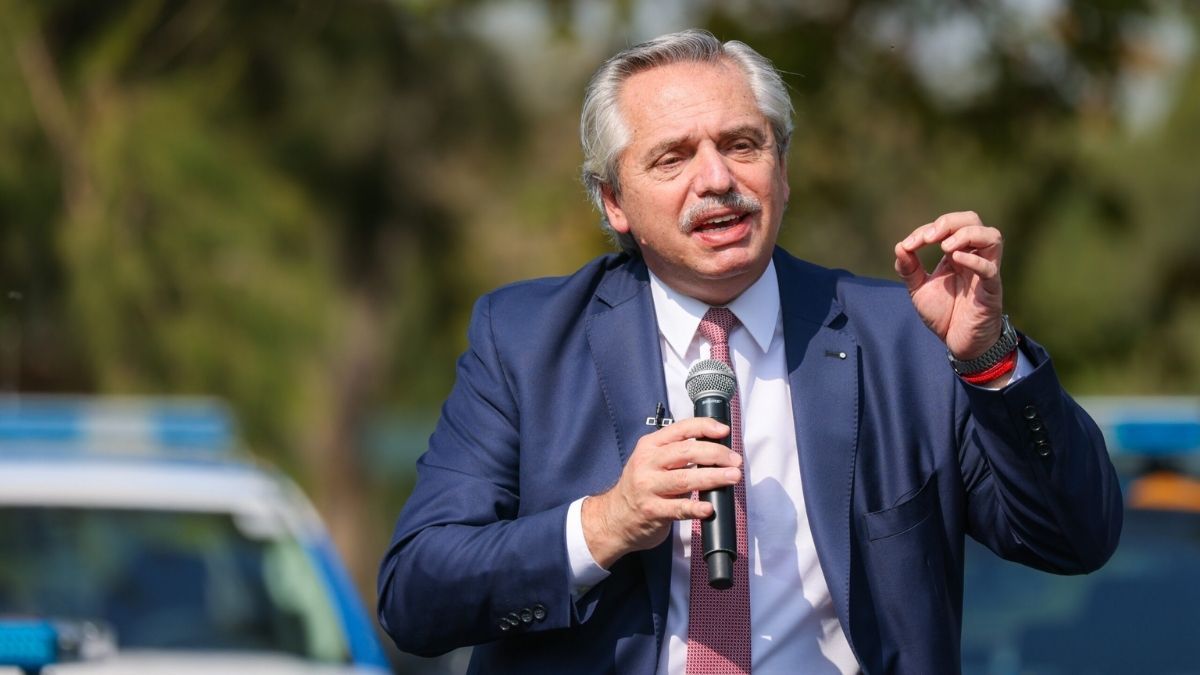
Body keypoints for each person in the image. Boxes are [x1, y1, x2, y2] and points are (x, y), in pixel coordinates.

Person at [377, 29, 1122, 674]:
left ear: (783, 170)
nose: (717, 180)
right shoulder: (525, 339)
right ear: (614, 202)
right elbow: (415, 596)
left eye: (742, 145)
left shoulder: (904, 336)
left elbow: (1076, 538)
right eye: (672, 158)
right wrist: (606, 523)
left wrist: (989, 357)